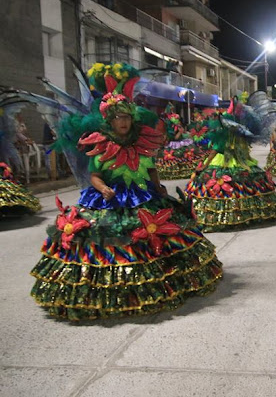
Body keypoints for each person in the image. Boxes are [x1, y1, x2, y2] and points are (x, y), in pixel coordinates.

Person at [29, 63, 222, 320]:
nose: (124, 122)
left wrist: (157, 185)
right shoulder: (99, 146)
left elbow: (151, 169)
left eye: (127, 117)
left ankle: (159, 282)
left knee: (159, 232)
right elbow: (94, 176)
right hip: (110, 199)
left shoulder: (142, 143)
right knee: (111, 236)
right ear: (109, 120)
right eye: (119, 118)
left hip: (142, 194)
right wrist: (103, 188)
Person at [185, 92, 276, 231]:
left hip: (225, 161)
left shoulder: (226, 133)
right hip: (241, 160)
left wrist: (204, 165)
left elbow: (216, 149)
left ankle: (222, 216)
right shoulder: (240, 135)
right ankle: (248, 214)